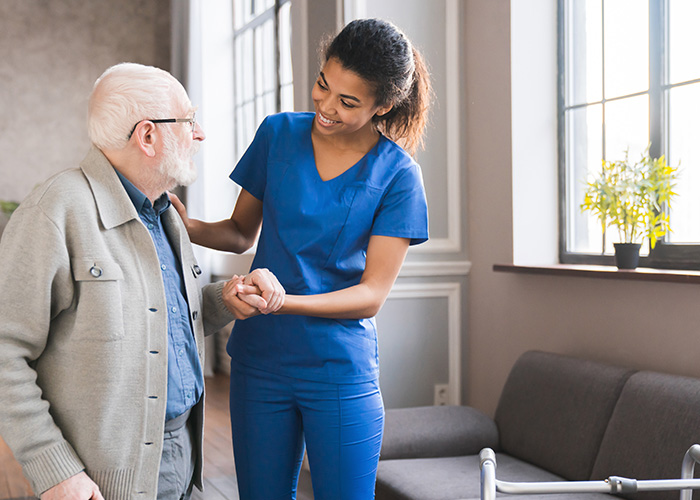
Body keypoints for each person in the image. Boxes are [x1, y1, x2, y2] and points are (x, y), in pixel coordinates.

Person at [174, 18, 431, 499]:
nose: (326, 106)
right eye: (322, 85)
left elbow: (371, 295)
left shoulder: (399, 176)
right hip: (259, 362)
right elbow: (238, 233)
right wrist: (186, 226)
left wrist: (281, 302)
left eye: (348, 101)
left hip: (338, 368)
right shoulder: (277, 135)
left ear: (384, 105)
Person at [0, 62, 283, 500]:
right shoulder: (54, 211)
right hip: (100, 481)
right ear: (148, 135)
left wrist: (226, 298)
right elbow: (4, 351)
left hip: (183, 450)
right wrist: (56, 471)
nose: (200, 134)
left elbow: (161, 316)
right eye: (189, 121)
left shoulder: (166, 213)